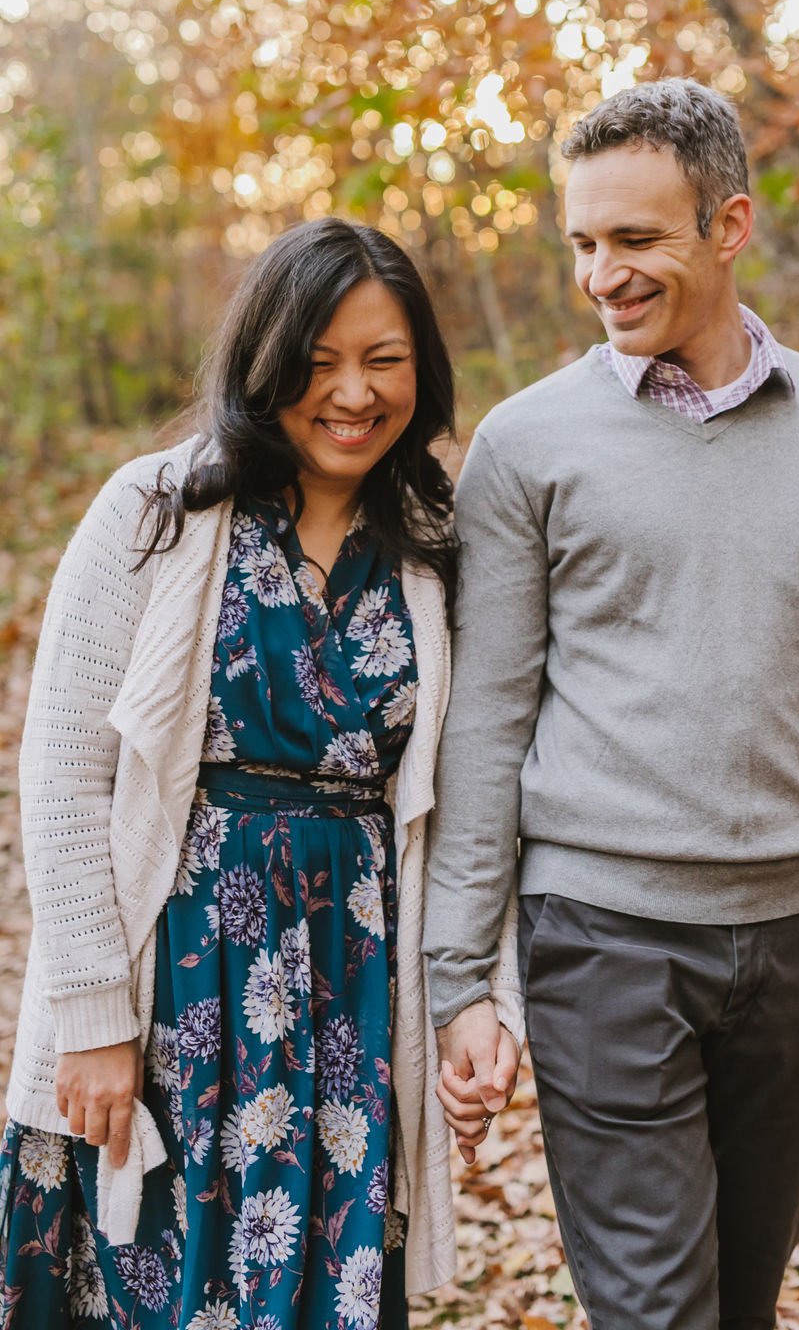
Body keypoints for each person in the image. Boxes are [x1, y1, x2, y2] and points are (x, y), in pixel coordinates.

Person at [424, 79, 799, 1329]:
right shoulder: (525, 445)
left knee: (739, 1304)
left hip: (798, 930)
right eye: (582, 243)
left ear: (728, 225)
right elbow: (490, 714)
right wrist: (461, 980)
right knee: (658, 1312)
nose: (601, 276)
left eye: (634, 240)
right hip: (600, 937)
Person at [1, 216, 522, 1328]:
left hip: (351, 990)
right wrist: (95, 1015)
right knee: (157, 1286)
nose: (353, 394)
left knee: (315, 1289)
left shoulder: (436, 544)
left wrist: (483, 992)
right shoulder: (154, 511)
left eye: (384, 360)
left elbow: (475, 802)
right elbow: (58, 777)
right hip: (175, 981)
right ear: (265, 363)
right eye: (318, 362)